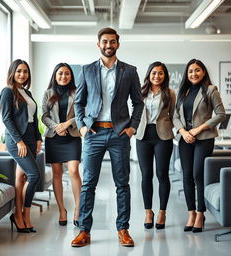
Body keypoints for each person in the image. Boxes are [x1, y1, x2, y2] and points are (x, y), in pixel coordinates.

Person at [71, 27, 144, 247]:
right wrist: (82, 127)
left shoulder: (129, 71)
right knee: (88, 184)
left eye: (112, 41)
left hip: (119, 133)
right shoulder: (87, 70)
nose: (108, 45)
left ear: (118, 44)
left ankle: (123, 229)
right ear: (98, 44)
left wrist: (132, 127)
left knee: (122, 184)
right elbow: (78, 102)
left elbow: (138, 103)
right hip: (93, 133)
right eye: (104, 41)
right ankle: (84, 231)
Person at [173, 59, 226, 233]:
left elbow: (220, 115)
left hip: (203, 138)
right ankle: (192, 214)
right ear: (186, 74)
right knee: (186, 176)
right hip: (185, 139)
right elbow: (175, 116)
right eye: (190, 71)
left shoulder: (210, 90)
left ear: (203, 72)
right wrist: (183, 132)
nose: (193, 74)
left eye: (197, 70)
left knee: (197, 174)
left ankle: (201, 213)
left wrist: (198, 129)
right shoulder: (183, 91)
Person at [0, 59, 42, 233]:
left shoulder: (27, 93)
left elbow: (33, 117)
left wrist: (39, 138)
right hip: (17, 140)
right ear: (12, 72)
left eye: (25, 71)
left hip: (31, 138)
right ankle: (23, 213)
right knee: (34, 175)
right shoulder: (7, 92)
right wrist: (19, 141)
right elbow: (7, 118)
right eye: (18, 71)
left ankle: (18, 215)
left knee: (22, 178)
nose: (22, 74)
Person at [136, 62, 176, 230]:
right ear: (149, 74)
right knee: (146, 175)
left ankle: (162, 212)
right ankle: (148, 212)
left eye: (160, 73)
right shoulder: (140, 92)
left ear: (164, 76)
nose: (157, 76)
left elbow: (173, 115)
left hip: (163, 137)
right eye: (154, 73)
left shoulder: (170, 93)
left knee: (162, 174)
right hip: (143, 136)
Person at [42, 63, 82, 227]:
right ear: (55, 75)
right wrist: (56, 127)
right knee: (57, 174)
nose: (63, 76)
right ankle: (62, 211)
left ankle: (79, 209)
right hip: (53, 137)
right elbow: (44, 116)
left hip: (72, 136)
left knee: (73, 171)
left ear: (71, 76)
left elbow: (81, 114)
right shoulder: (48, 93)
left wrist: (67, 124)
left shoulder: (77, 92)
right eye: (60, 73)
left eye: (66, 73)